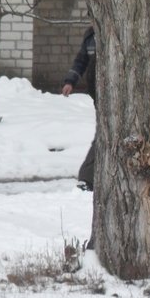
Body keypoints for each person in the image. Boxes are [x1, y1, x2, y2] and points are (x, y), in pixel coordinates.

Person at [61, 27, 97, 191]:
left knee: (104, 135)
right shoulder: (91, 36)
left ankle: (88, 177)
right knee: (104, 134)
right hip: (99, 94)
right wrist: (70, 81)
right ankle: (87, 178)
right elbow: (81, 61)